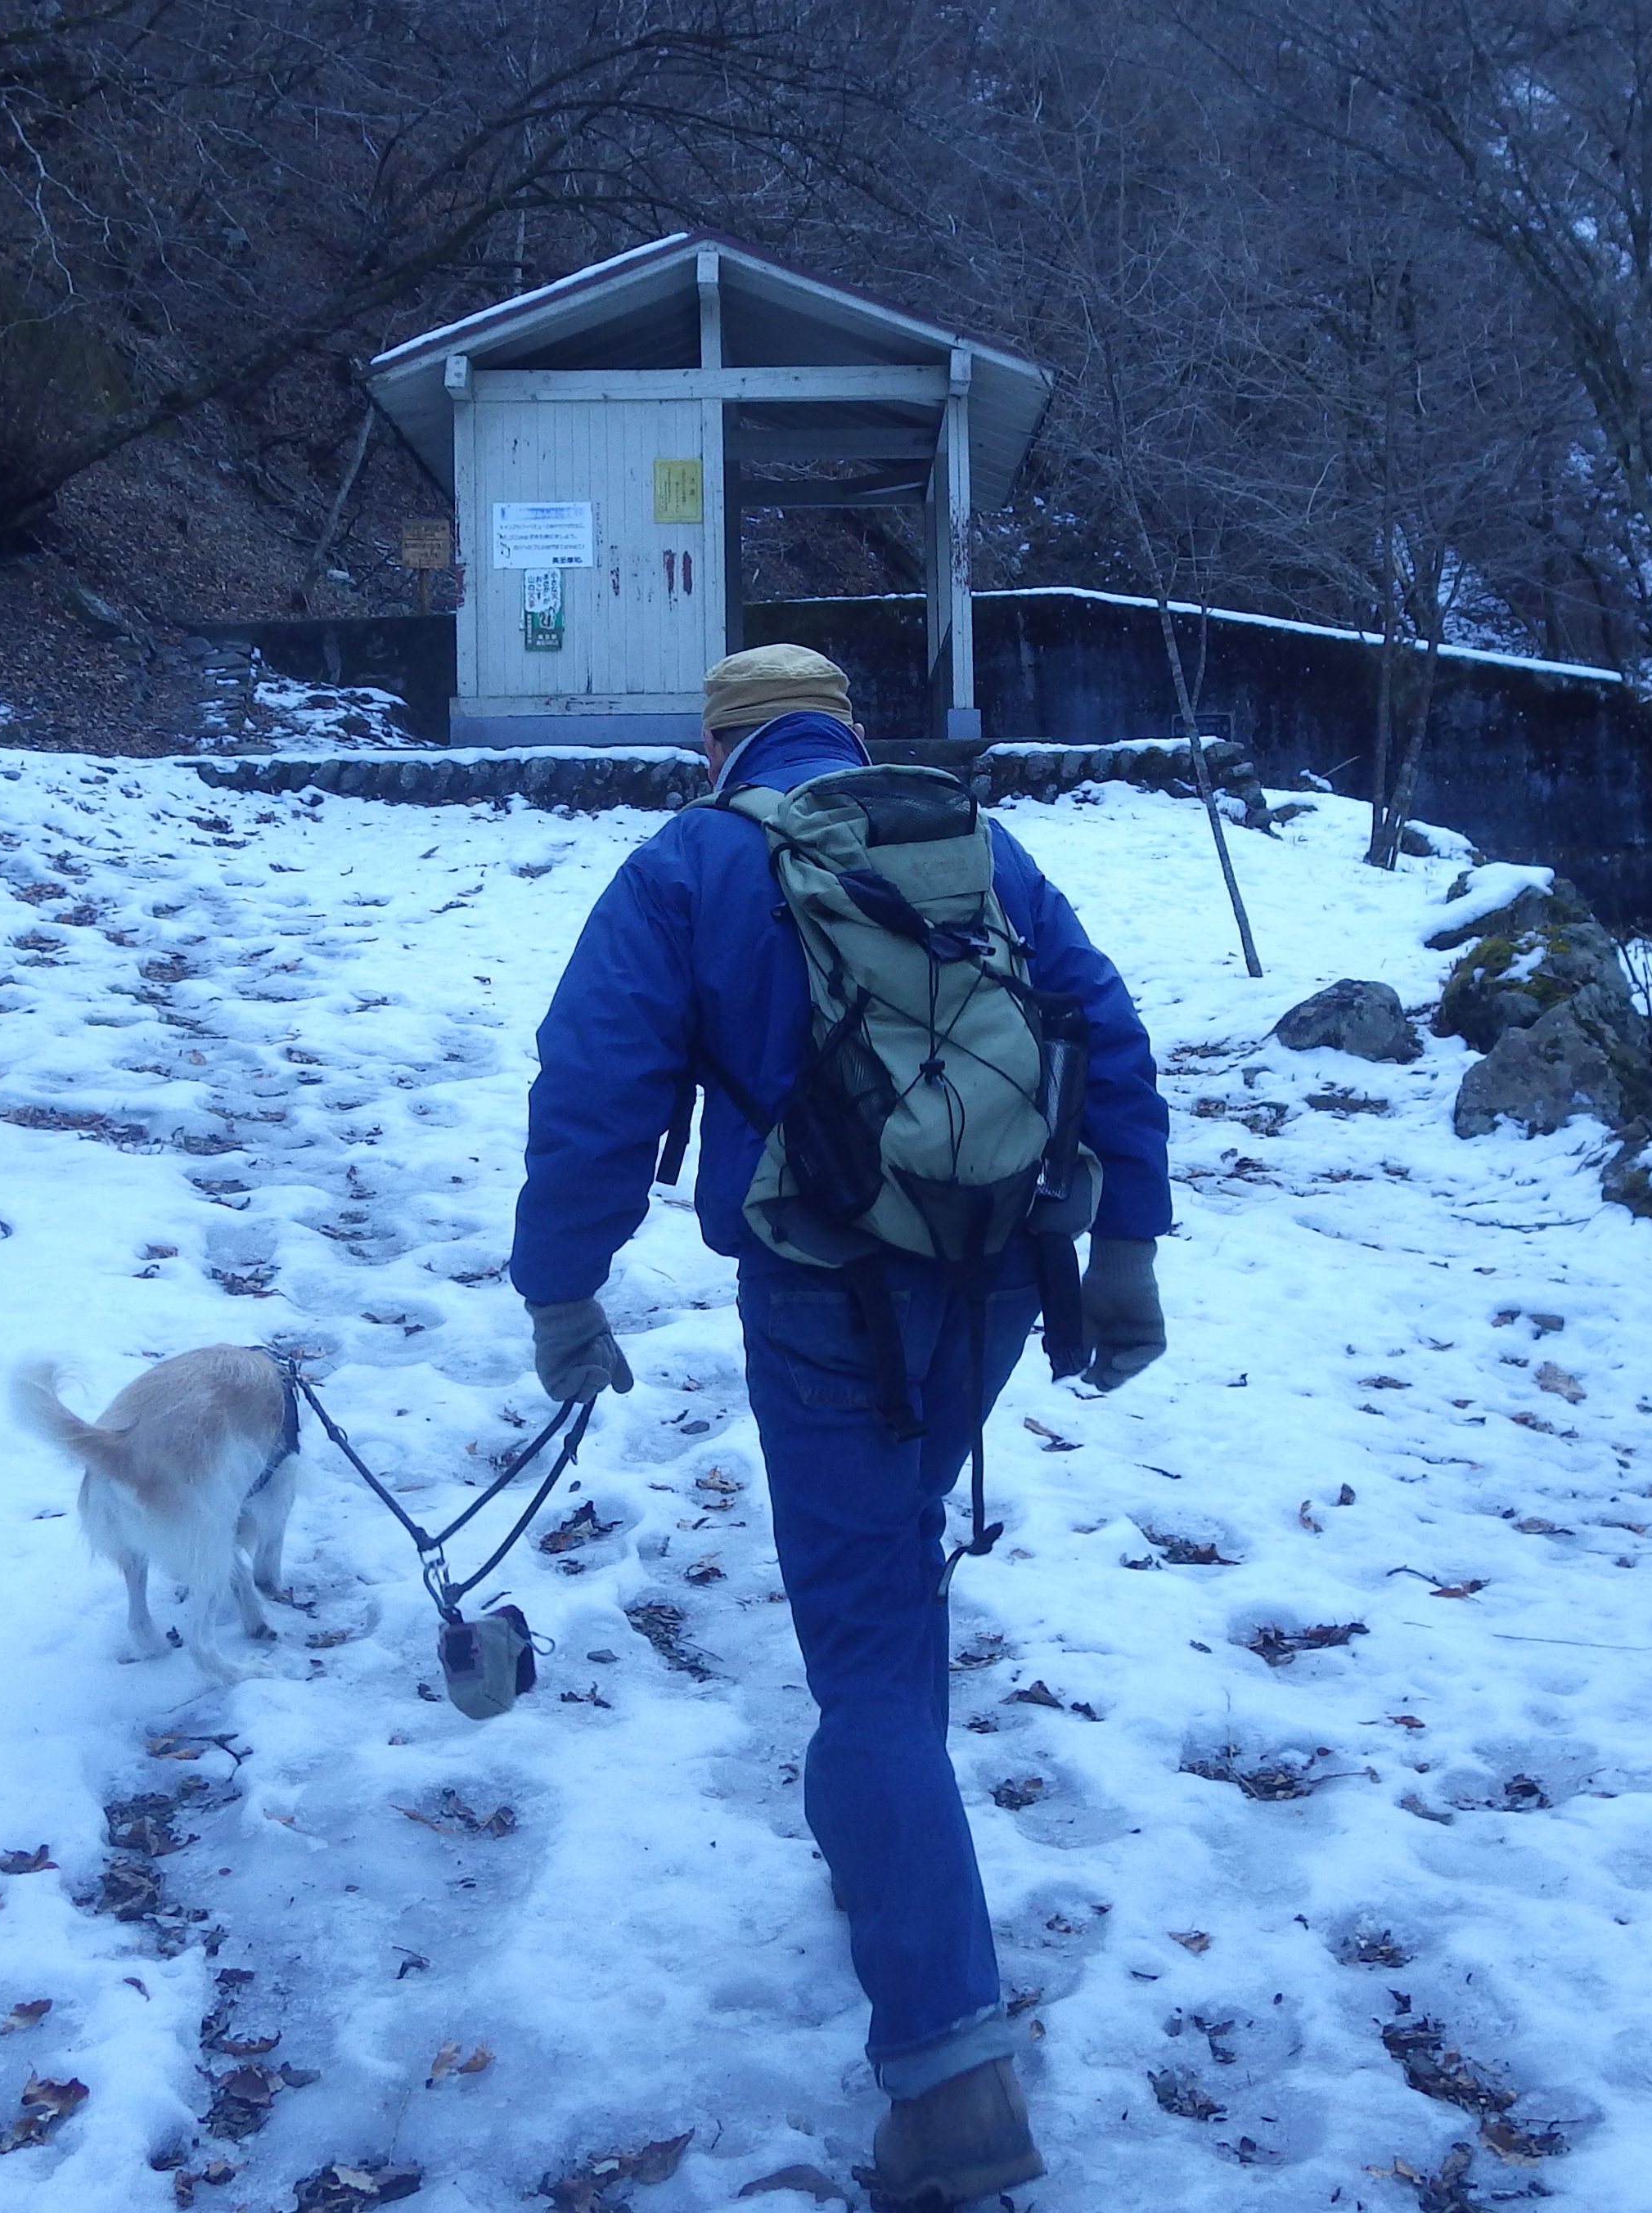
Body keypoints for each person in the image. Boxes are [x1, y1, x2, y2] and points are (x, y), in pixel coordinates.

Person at [507, 643, 1173, 2207]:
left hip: (818, 1293)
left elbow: (590, 1087)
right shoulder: (973, 842)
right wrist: (1126, 1251)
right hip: (1001, 1272)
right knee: (894, 1567)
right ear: (848, 730)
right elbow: (1108, 1027)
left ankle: (952, 2082)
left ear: (717, 743)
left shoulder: (689, 864)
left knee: (866, 1638)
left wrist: (560, 1293)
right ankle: (878, 1829)